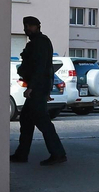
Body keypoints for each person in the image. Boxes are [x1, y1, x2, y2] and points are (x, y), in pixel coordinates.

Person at [11, 16, 66, 165]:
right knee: (27, 120)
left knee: (43, 122)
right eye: (25, 26)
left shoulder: (39, 43)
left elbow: (41, 67)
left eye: (28, 26)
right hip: (39, 87)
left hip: (37, 88)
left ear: (37, 26)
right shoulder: (40, 42)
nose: (26, 29)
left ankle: (58, 153)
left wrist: (32, 87)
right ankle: (22, 154)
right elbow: (46, 67)